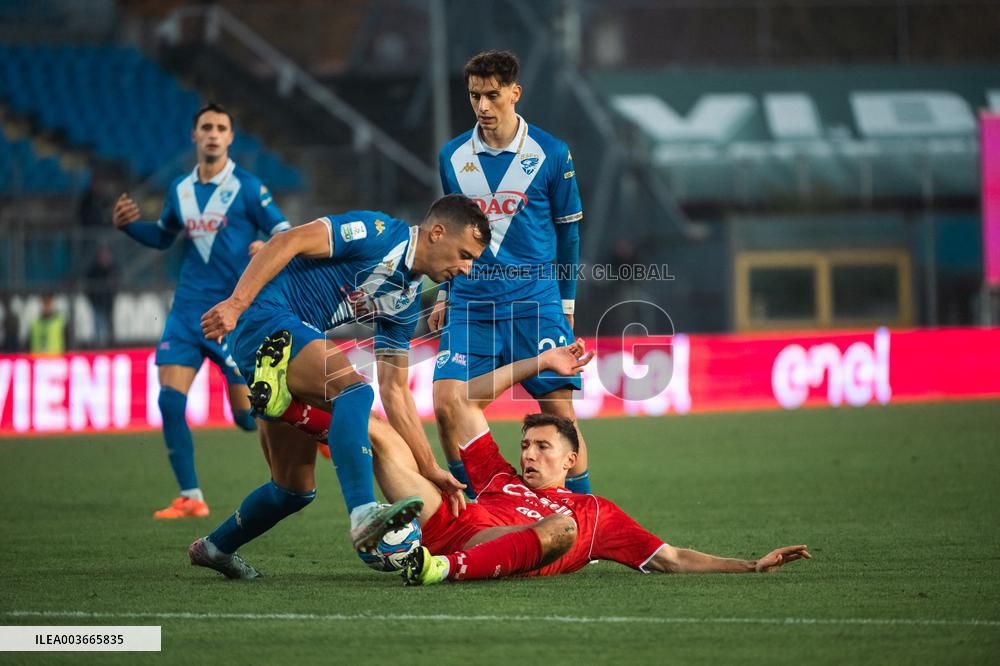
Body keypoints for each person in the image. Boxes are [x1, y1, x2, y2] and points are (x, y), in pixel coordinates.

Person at [188, 194, 491, 579]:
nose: (466, 269)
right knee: (355, 392)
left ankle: (215, 548)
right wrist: (235, 304)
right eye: (465, 254)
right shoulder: (378, 233)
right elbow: (287, 241)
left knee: (293, 490)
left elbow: (396, 391)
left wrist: (430, 467)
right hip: (266, 316)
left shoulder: (407, 299)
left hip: (288, 347)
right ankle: (364, 513)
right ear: (436, 233)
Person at [364, 342, 810, 584]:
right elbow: (462, 402)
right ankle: (299, 412)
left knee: (562, 529)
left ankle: (437, 567)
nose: (529, 454)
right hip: (451, 526)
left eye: (543, 447)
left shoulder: (594, 514)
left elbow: (670, 558)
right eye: (526, 445)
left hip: (485, 546)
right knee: (375, 427)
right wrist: (538, 362)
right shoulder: (502, 477)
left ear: (571, 460)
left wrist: (750, 566)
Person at [112, 102, 290, 519]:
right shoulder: (180, 190)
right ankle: (191, 496)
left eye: (221, 127)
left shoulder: (247, 187)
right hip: (187, 312)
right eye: (206, 127)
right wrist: (127, 227)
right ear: (195, 135)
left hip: (231, 316)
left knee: (248, 418)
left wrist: (266, 247)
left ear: (230, 137)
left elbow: (283, 231)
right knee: (170, 402)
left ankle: (309, 429)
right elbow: (161, 236)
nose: (212, 133)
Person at [431, 50, 591, 499]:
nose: (482, 107)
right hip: (472, 303)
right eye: (474, 96)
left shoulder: (552, 153)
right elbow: (450, 236)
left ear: (514, 93)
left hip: (536, 302)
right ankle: (470, 513)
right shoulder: (452, 156)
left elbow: (570, 235)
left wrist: (566, 303)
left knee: (561, 419)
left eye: (492, 95)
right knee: (448, 406)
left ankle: (581, 519)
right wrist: (445, 292)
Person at [84, 244, 117, 348]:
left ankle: (110, 346)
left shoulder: (112, 269)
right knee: (98, 328)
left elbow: (116, 284)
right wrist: (92, 301)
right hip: (97, 304)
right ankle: (99, 348)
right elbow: (89, 287)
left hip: (108, 303)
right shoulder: (94, 270)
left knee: (109, 328)